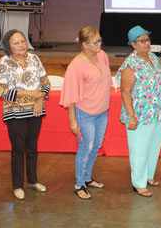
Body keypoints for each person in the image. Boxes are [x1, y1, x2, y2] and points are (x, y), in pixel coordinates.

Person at [0, 29, 50, 200]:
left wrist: (40, 97)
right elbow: (0, 90)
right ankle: (17, 185)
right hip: (15, 111)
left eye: (23, 41)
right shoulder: (3, 62)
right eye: (16, 42)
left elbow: (45, 82)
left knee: (32, 147)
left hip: (35, 109)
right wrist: (28, 95)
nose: (21, 45)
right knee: (18, 148)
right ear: (8, 46)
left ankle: (33, 181)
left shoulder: (34, 58)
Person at [115, 25, 161, 197]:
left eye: (148, 39)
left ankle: (149, 176)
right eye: (142, 41)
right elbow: (125, 92)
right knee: (140, 150)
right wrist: (131, 117)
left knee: (153, 147)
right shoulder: (131, 65)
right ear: (133, 44)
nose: (147, 43)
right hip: (140, 116)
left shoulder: (153, 57)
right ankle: (138, 182)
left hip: (158, 112)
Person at [60, 27, 111, 200]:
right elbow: (71, 95)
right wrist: (72, 119)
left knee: (96, 146)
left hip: (102, 111)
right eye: (95, 42)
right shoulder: (76, 66)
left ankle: (87, 178)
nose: (99, 44)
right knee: (85, 148)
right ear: (84, 45)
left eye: (100, 40)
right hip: (85, 113)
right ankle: (79, 184)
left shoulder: (102, 55)